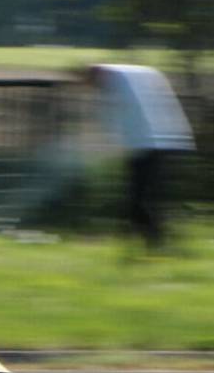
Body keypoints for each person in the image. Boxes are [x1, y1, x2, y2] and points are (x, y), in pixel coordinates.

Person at [84, 63, 196, 249]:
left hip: (148, 144)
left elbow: (114, 116)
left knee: (139, 199)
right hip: (159, 140)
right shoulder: (131, 76)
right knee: (145, 198)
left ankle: (155, 243)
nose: (94, 87)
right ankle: (144, 240)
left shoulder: (117, 80)